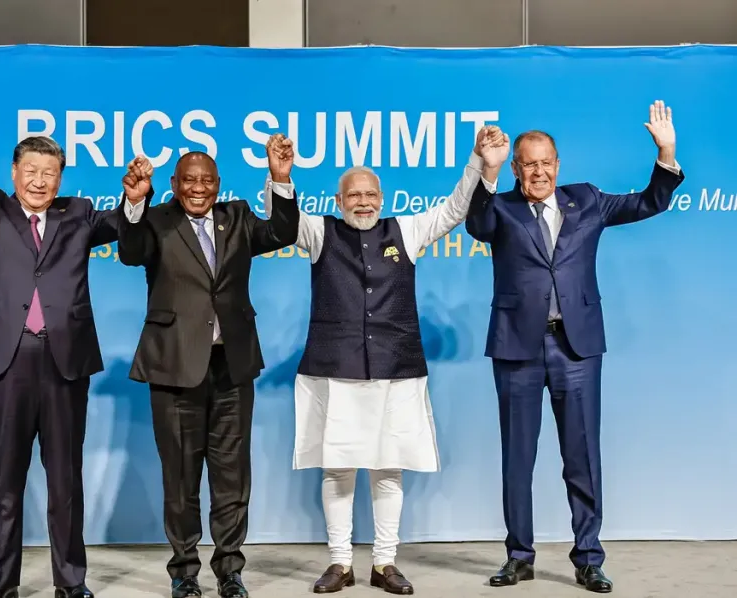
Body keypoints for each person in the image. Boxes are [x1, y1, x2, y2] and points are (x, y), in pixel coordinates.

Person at [261, 127, 509, 594]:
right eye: (353, 194)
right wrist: (280, 176)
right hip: (333, 371)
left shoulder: (407, 231)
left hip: (396, 370)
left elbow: (457, 207)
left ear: (383, 197)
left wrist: (478, 162)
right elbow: (283, 223)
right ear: (338, 201)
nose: (363, 201)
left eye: (371, 193)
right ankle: (339, 563)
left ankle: (384, 563)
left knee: (387, 467)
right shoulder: (319, 233)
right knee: (337, 469)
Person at [465, 101, 683, 594]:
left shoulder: (586, 200)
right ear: (517, 168)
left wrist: (666, 153)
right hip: (517, 348)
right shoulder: (500, 208)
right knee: (517, 458)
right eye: (529, 164)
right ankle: (519, 557)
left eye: (546, 163)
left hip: (577, 348)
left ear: (557, 165)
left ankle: (588, 558)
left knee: (581, 456)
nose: (539, 171)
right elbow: (476, 224)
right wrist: (487, 168)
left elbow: (649, 202)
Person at [0, 135, 118, 598]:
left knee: (65, 481)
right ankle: (1, 585)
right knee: (5, 480)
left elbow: (121, 228)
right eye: (30, 170)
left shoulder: (78, 212)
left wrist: (135, 198)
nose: (39, 180)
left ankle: (72, 584)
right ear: (13, 172)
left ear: (60, 178)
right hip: (5, 359)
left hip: (64, 360)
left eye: (49, 172)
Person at [115, 138, 300, 598]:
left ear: (218, 185)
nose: (199, 187)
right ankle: (184, 572)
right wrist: (134, 202)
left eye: (207, 180)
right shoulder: (156, 220)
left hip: (231, 367)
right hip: (174, 367)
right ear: (174, 185)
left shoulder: (236, 217)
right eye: (189, 180)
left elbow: (283, 232)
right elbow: (131, 251)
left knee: (232, 477)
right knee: (180, 479)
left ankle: (230, 570)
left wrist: (279, 178)